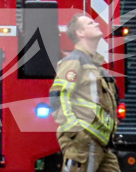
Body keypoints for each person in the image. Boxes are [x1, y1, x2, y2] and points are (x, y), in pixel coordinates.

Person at [50, 12, 119, 172]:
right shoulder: (74, 61)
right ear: (79, 33)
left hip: (101, 144)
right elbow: (58, 97)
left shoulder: (95, 66)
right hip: (84, 143)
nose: (96, 24)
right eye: (89, 24)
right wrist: (76, 132)